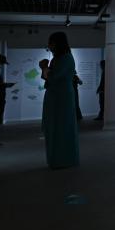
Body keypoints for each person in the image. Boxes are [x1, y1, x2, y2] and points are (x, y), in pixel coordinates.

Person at [39, 32, 79, 169]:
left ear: (58, 43)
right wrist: (45, 68)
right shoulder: (57, 59)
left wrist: (44, 68)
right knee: (53, 128)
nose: (49, 46)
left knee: (62, 128)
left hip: (62, 97)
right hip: (55, 95)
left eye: (51, 43)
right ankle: (55, 159)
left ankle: (64, 160)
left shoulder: (66, 58)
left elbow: (53, 77)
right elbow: (47, 77)